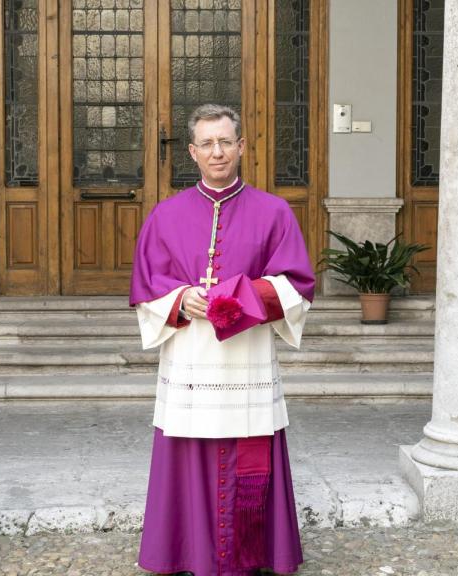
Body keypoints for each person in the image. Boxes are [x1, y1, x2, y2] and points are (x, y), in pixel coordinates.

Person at [130, 104, 315, 575]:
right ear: (192, 152)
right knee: (189, 452)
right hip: (190, 355)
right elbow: (147, 287)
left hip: (247, 356)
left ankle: (253, 553)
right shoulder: (165, 215)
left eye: (226, 142)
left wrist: (238, 299)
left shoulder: (274, 212)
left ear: (241, 147)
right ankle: (188, 551)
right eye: (207, 144)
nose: (218, 152)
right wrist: (180, 300)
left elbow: (297, 284)